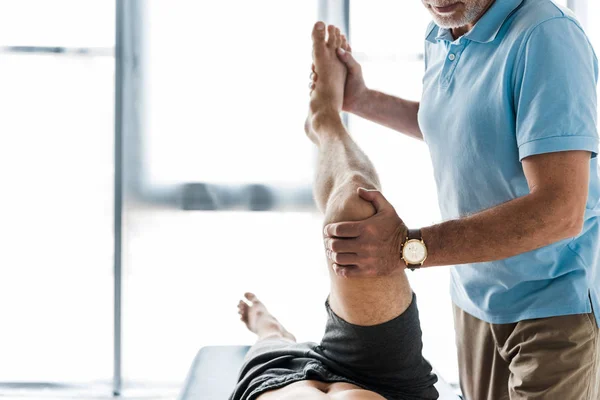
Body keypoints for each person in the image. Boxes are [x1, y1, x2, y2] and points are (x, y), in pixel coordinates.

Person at [311, 0, 600, 399]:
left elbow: (561, 212)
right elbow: (460, 123)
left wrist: (407, 248)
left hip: (551, 307)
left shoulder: (546, 35)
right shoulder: (444, 29)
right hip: (474, 298)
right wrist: (360, 99)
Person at [228, 22, 439, 400]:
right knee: (359, 206)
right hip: (387, 383)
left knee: (274, 338)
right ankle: (325, 119)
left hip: (276, 379)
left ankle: (269, 328)